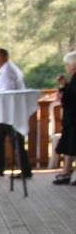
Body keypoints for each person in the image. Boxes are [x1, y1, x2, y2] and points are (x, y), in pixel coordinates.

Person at [0, 48, 32, 178]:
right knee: (1, 138)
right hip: (13, 111)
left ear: (3, 58)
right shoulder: (10, 69)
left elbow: (8, 92)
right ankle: (0, 169)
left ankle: (22, 171)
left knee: (15, 141)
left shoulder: (7, 72)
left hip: (11, 112)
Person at [54, 51, 76, 185]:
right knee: (70, 144)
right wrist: (64, 85)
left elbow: (70, 97)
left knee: (72, 143)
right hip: (71, 118)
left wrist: (63, 89)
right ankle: (66, 171)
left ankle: (66, 171)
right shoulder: (73, 79)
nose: (66, 67)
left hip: (74, 119)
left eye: (67, 64)